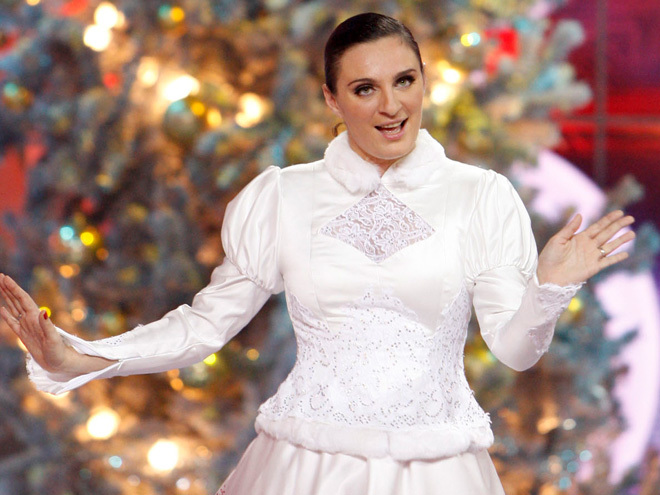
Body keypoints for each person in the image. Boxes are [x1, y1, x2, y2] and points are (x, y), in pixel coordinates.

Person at [0, 12, 635, 495]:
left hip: (438, 471)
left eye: (405, 81)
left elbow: (515, 350)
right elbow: (203, 327)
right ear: (332, 99)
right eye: (364, 89)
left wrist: (549, 289)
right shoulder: (284, 196)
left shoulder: (481, 196)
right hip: (305, 466)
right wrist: (81, 356)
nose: (391, 106)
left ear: (423, 83)